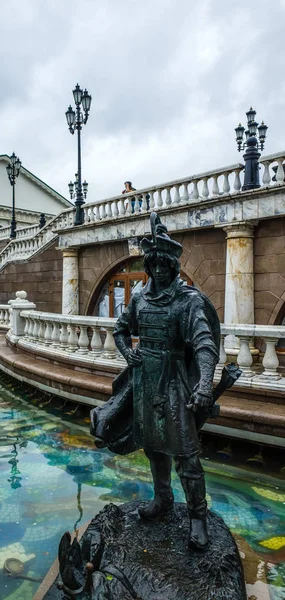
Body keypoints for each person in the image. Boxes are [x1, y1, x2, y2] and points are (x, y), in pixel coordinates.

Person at [91, 213, 220, 551]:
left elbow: (204, 344)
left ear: (173, 266)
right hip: (144, 382)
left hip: (175, 383)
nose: (160, 271)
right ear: (149, 266)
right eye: (155, 265)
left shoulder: (187, 301)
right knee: (153, 446)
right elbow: (120, 329)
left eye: (165, 265)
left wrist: (205, 383)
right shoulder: (140, 299)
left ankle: (197, 516)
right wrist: (127, 353)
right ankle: (162, 498)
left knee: (186, 454)